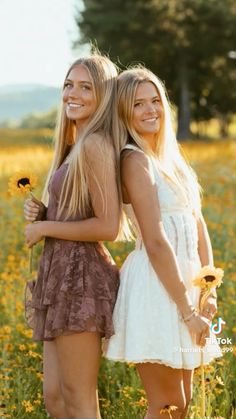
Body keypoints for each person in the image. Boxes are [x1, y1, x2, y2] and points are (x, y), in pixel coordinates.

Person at [105, 67, 221, 419]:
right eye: (138, 104)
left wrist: (209, 290)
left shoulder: (171, 159)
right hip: (158, 288)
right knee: (167, 405)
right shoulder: (134, 160)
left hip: (187, 286)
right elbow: (155, 240)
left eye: (155, 100)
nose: (150, 110)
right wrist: (187, 311)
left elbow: (198, 223)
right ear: (124, 112)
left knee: (180, 404)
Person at [23, 54, 122, 419]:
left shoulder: (95, 144)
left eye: (85, 87)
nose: (72, 93)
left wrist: (45, 228)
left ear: (104, 97)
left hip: (80, 281)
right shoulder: (75, 146)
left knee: (79, 401)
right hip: (59, 276)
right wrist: (46, 212)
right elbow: (80, 211)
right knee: (56, 398)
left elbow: (108, 226)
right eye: (68, 84)